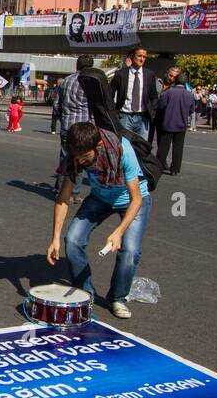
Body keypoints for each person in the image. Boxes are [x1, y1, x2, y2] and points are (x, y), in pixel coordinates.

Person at [46, 120, 151, 320]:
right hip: (100, 197)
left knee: (129, 250)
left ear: (99, 147)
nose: (81, 161)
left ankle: (117, 298)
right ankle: (85, 294)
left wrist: (118, 232)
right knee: (73, 240)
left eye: (85, 157)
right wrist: (55, 239)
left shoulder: (122, 151)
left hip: (131, 200)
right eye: (77, 157)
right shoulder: (75, 157)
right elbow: (63, 198)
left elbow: (136, 199)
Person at [52, 54, 96, 198]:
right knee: (80, 160)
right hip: (82, 128)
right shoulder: (89, 83)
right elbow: (93, 107)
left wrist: (62, 117)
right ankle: (73, 193)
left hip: (66, 125)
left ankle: (59, 190)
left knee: (65, 158)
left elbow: (56, 104)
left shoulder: (65, 81)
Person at [108, 46, 157, 137]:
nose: (142, 59)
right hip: (125, 116)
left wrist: (152, 111)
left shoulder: (149, 75)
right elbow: (109, 93)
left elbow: (153, 96)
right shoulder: (121, 74)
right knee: (125, 145)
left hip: (143, 117)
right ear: (132, 56)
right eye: (139, 56)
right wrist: (113, 112)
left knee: (142, 147)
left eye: (144, 57)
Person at [154, 75, 194, 176]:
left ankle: (159, 166)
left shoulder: (168, 93)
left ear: (175, 81)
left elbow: (160, 107)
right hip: (181, 124)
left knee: (163, 147)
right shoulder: (189, 95)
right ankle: (175, 169)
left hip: (168, 123)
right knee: (178, 147)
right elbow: (191, 110)